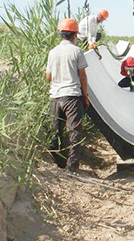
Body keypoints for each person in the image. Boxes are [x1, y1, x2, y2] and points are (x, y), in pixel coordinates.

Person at [45, 18, 89, 173]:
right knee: (75, 132)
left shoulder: (52, 52)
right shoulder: (77, 51)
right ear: (74, 35)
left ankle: (58, 164)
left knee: (56, 131)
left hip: (55, 96)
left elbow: (48, 76)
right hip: (72, 96)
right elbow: (82, 76)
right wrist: (85, 96)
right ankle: (72, 168)